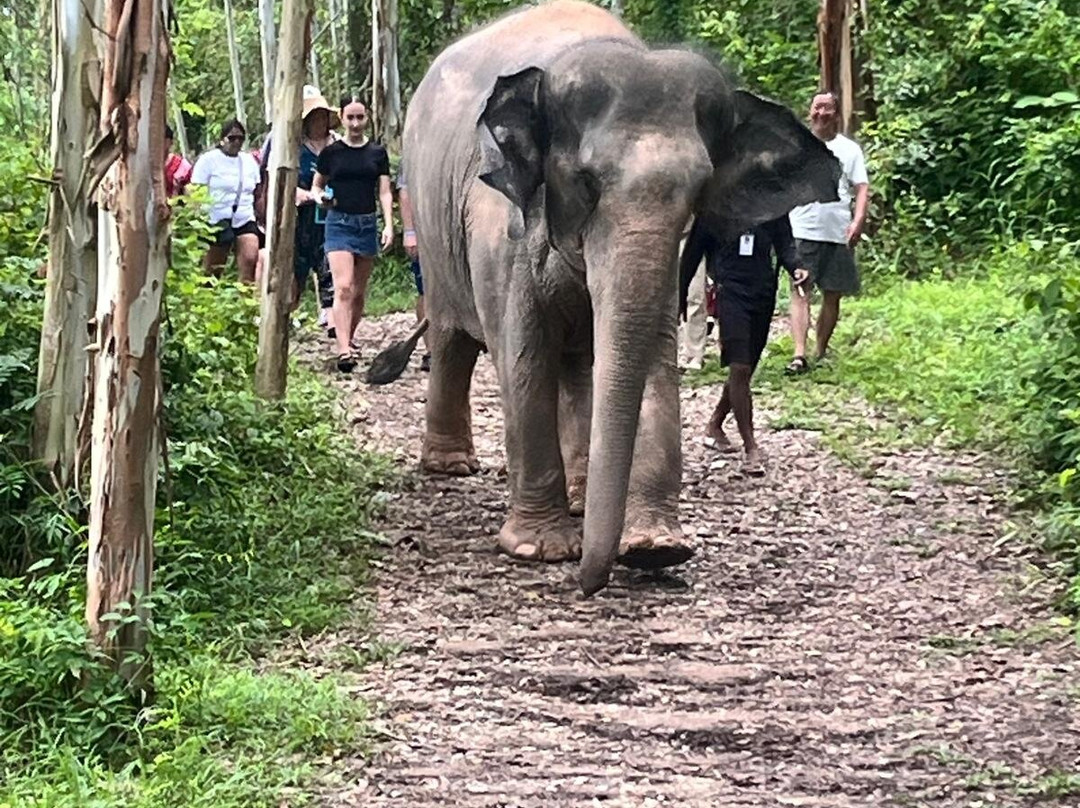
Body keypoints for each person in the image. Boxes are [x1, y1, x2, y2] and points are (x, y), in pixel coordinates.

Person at [680, 215, 809, 475]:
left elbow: (784, 243)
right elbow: (692, 255)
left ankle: (715, 423)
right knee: (739, 366)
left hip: (763, 292)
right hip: (730, 292)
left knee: (746, 368)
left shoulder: (770, 202)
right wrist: (679, 295)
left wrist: (796, 266)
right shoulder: (716, 207)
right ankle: (751, 447)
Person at [785, 91, 869, 375]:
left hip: (837, 232)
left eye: (827, 108)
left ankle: (820, 349)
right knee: (800, 291)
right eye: (817, 108)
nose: (821, 113)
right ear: (810, 112)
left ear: (836, 114)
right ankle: (799, 354)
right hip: (802, 229)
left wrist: (858, 221)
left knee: (833, 294)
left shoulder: (849, 150)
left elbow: (861, 188)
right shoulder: (797, 146)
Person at [312, 94, 394, 372]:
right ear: (343, 118)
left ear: (367, 117)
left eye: (360, 117)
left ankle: (351, 335)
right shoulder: (331, 153)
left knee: (358, 292)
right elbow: (316, 186)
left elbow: (384, 191)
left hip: (367, 223)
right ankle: (344, 349)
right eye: (351, 117)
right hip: (338, 223)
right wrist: (320, 197)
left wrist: (389, 224)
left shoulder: (377, 153)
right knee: (343, 286)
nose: (356, 123)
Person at [190, 118, 263, 282]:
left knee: (250, 258)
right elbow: (195, 190)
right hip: (216, 219)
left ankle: (245, 300)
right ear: (222, 139)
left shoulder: (249, 161)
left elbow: (257, 192)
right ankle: (209, 298)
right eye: (232, 138)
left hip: (244, 216)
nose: (236, 142)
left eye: (240, 138)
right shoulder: (208, 160)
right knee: (214, 268)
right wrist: (197, 218)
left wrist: (262, 215)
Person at [396, 158, 430, 371]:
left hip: (452, 231)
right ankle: (430, 349)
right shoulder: (414, 149)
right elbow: (404, 191)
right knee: (425, 289)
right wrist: (410, 232)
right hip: (423, 228)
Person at [164, 125, 192, 198]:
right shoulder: (146, 166)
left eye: (163, 139)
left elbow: (190, 194)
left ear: (170, 142)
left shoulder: (182, 166)